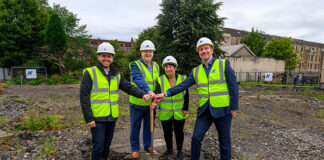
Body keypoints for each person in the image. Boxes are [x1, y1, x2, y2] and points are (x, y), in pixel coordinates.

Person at [155, 37, 239, 160]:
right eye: (201, 49)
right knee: (196, 138)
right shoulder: (196, 71)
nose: (204, 51)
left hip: (223, 110)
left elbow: (233, 86)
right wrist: (165, 93)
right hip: (205, 111)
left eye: (206, 48)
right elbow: (183, 86)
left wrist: (233, 107)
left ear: (211, 50)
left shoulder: (223, 64)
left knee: (224, 142)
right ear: (198, 52)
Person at [80, 42, 151, 160]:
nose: (106, 59)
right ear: (98, 57)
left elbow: (128, 87)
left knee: (107, 145)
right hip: (97, 118)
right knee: (98, 146)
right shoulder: (90, 73)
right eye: (103, 56)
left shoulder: (116, 74)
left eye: (109, 56)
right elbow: (84, 97)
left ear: (112, 58)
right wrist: (89, 117)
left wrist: (142, 94)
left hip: (111, 117)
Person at [129, 40, 160, 158]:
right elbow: (138, 80)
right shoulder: (135, 64)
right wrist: (149, 91)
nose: (148, 53)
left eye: (150, 51)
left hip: (150, 104)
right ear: (141, 52)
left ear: (153, 52)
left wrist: (155, 99)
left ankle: (147, 145)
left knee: (149, 126)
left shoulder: (156, 65)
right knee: (135, 126)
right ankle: (135, 148)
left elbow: (158, 83)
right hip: (137, 102)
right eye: (145, 51)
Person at [155, 56, 189, 160]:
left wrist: (185, 108)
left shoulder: (183, 79)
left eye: (171, 66)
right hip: (165, 112)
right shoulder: (160, 80)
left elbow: (186, 95)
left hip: (179, 111)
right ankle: (169, 149)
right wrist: (155, 101)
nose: (169, 68)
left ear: (175, 67)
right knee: (167, 132)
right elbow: (157, 93)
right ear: (164, 68)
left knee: (179, 132)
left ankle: (179, 151)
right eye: (166, 66)